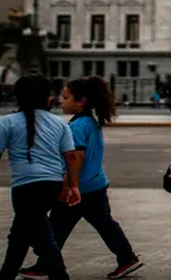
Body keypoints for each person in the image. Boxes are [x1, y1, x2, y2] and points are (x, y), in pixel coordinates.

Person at [0, 75, 83, 280]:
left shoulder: (7, 123)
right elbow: (71, 157)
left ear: (17, 97)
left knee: (41, 235)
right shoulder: (59, 124)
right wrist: (74, 186)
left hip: (25, 188)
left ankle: (60, 276)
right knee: (20, 232)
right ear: (47, 99)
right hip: (51, 186)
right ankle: (6, 275)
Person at [21, 76, 142, 279]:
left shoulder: (77, 126)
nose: (61, 100)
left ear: (81, 101)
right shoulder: (88, 122)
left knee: (58, 226)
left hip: (81, 188)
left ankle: (46, 265)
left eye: (66, 97)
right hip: (94, 183)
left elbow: (76, 158)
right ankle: (126, 258)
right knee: (78, 225)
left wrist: (68, 186)